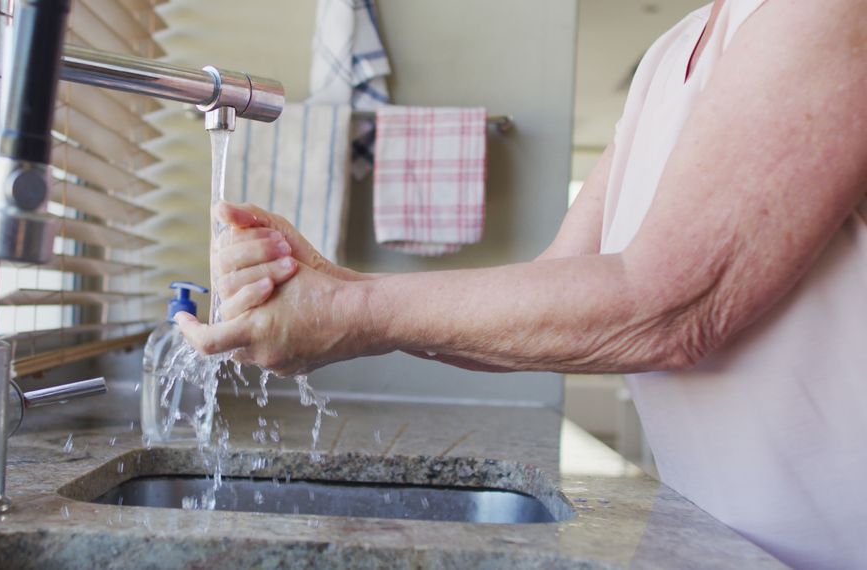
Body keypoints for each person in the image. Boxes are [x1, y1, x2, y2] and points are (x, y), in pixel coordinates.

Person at [176, 0, 867, 567]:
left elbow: (668, 304)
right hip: (719, 548)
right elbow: (552, 295)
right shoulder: (667, 55)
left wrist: (351, 309)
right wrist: (336, 287)